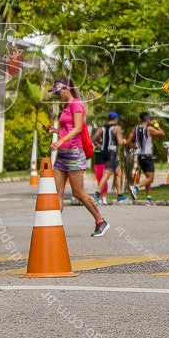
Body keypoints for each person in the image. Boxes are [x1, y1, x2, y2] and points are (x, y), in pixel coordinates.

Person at [41, 79, 107, 235]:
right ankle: (54, 227)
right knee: (57, 192)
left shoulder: (76, 104)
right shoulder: (65, 107)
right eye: (54, 93)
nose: (56, 95)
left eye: (58, 91)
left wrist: (60, 141)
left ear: (67, 88)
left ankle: (100, 221)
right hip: (62, 153)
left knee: (78, 192)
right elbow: (67, 129)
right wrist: (54, 130)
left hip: (74, 153)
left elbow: (77, 129)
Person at [126, 112, 166, 205]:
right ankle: (135, 188)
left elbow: (128, 142)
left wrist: (136, 148)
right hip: (147, 156)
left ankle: (149, 198)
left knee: (148, 177)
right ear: (147, 119)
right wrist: (157, 125)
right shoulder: (149, 129)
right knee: (151, 179)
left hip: (140, 156)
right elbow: (162, 134)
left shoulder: (135, 129)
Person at [94, 112, 127, 203]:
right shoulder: (117, 128)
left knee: (118, 172)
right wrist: (124, 140)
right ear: (115, 119)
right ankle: (97, 193)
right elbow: (120, 142)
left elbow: (94, 138)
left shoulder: (102, 128)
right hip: (111, 153)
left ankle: (120, 195)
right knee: (107, 173)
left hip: (104, 152)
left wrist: (98, 144)